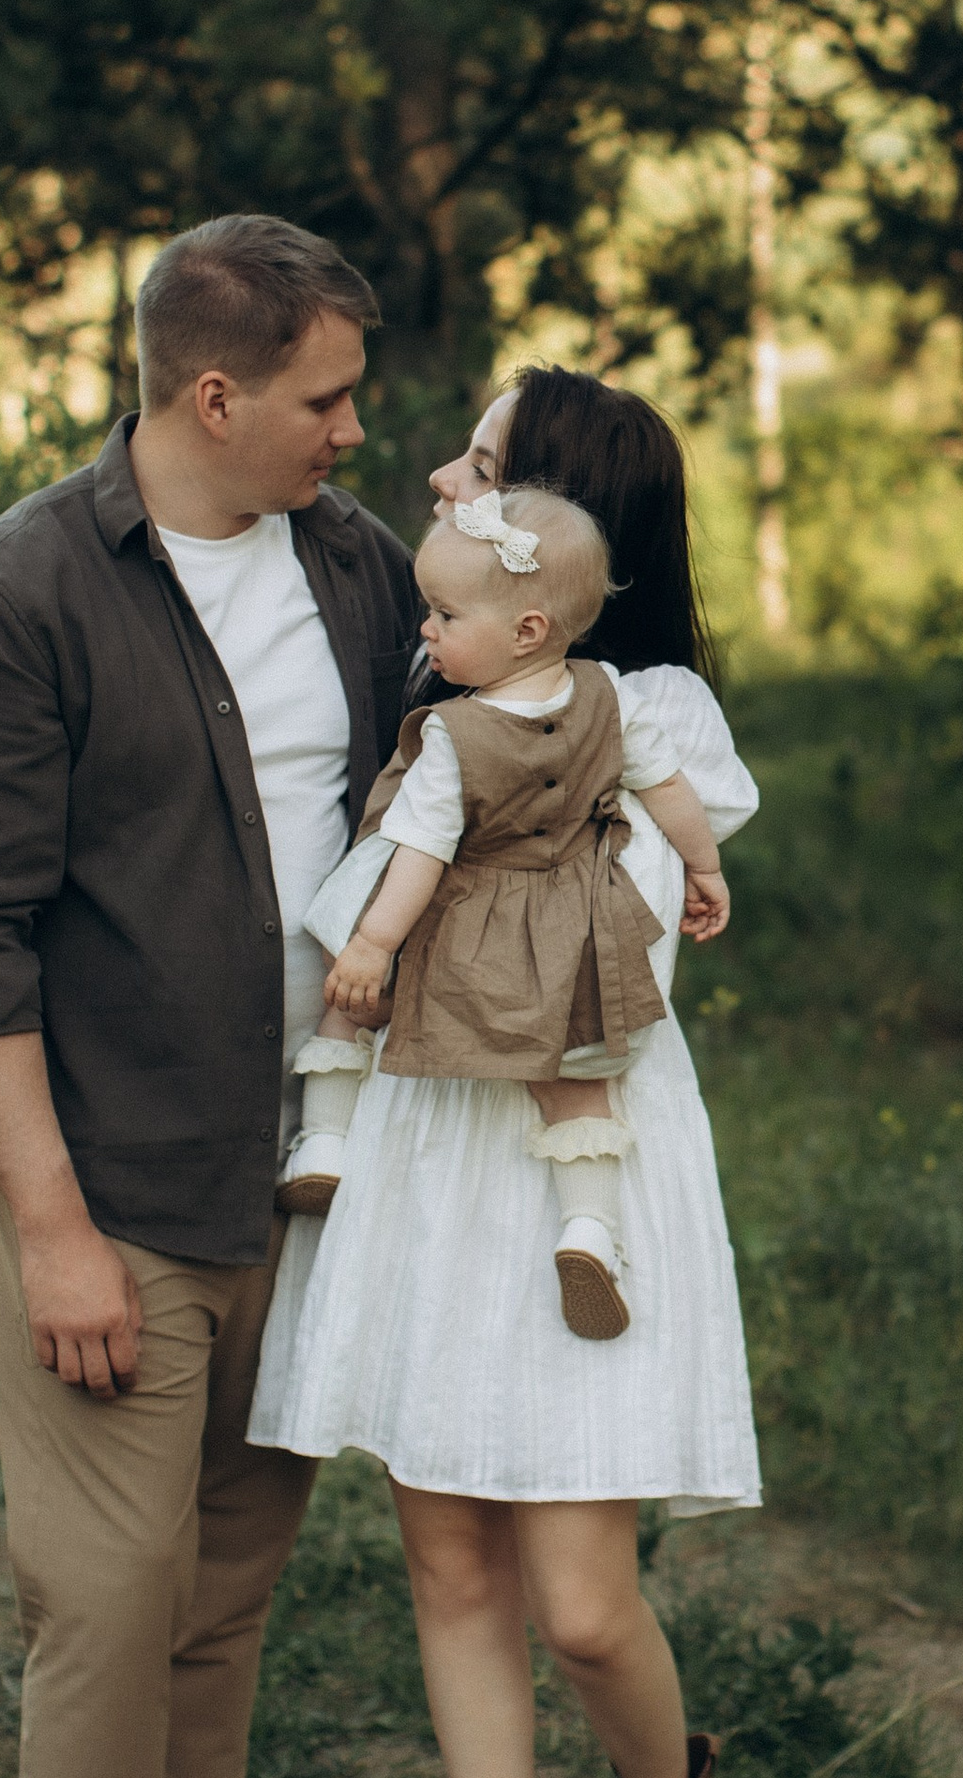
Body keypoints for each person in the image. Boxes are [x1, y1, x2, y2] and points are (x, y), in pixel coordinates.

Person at [0, 215, 421, 1778]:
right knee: (105, 1589)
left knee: (226, 1575)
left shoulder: (359, 572)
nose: (355, 429)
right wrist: (51, 1233)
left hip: (313, 1172)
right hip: (114, 1183)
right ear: (217, 393)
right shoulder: (7, 604)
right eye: (326, 395)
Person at [249, 367, 759, 1778]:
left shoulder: (644, 710)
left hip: (570, 1138)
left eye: (473, 457)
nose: (435, 474)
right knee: (449, 1559)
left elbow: (617, 940)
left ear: (548, 522)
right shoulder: (442, 675)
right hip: (430, 1142)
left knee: (586, 1601)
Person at [289, 484, 730, 1339]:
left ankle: (325, 1146)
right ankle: (590, 1230)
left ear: (526, 630)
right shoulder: (610, 695)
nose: (427, 630)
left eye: (445, 615)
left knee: (357, 1005)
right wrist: (705, 867)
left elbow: (419, 854)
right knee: (575, 1085)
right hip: (574, 926)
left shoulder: (454, 736)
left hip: (467, 920)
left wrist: (374, 944)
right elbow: (668, 788)